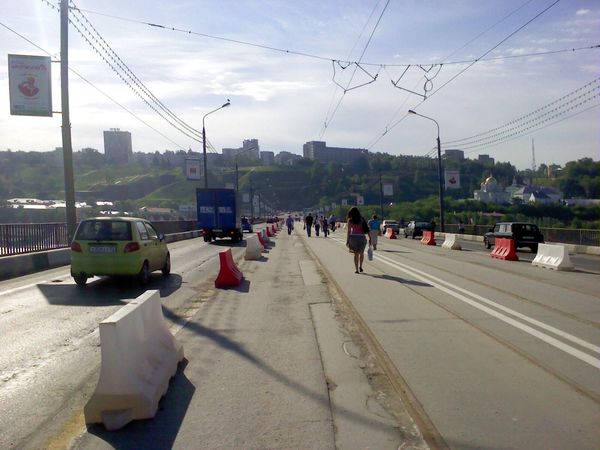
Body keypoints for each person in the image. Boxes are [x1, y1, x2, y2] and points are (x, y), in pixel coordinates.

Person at [346, 206, 371, 274]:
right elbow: (367, 229)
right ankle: (361, 266)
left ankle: (356, 269)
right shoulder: (362, 219)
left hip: (353, 238)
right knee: (361, 253)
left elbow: (349, 231)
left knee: (356, 254)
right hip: (362, 238)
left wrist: (347, 240)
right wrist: (370, 238)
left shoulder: (350, 220)